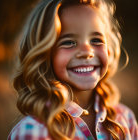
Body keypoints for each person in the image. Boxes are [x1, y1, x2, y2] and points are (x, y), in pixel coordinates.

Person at [8, 0, 138, 139]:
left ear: (108, 49)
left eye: (96, 40)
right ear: (44, 53)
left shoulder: (125, 119)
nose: (87, 51)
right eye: (68, 42)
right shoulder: (33, 131)